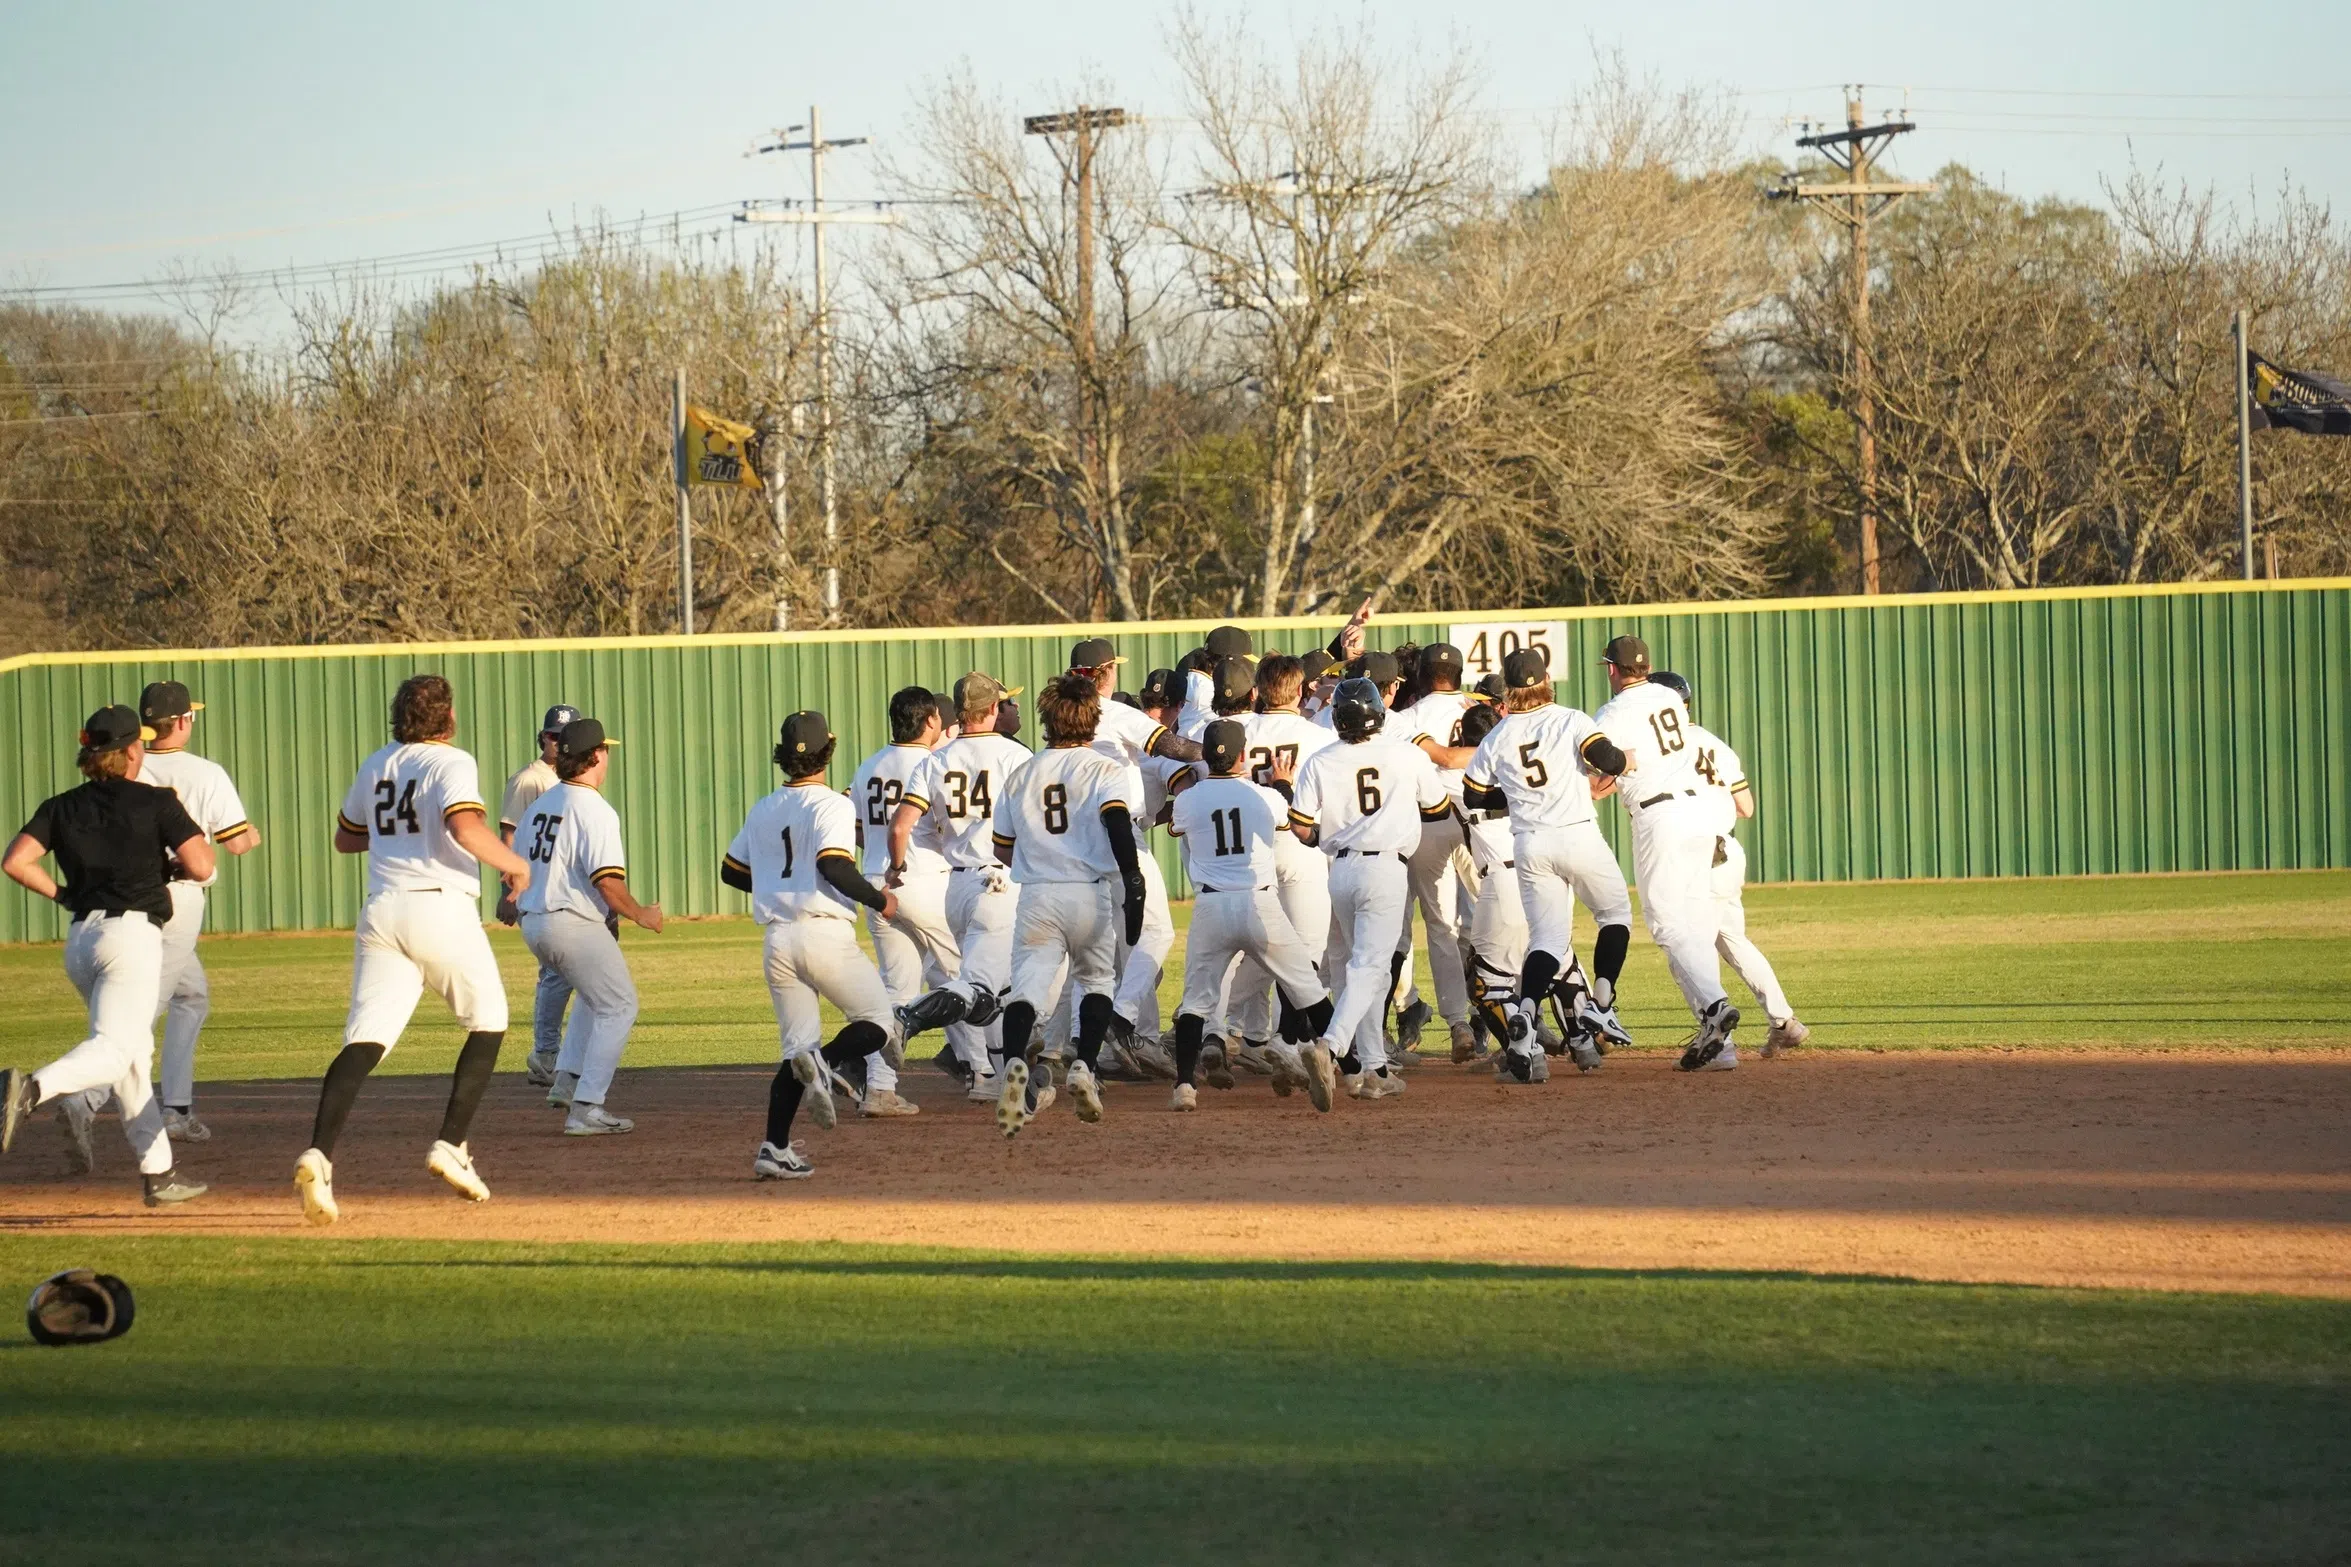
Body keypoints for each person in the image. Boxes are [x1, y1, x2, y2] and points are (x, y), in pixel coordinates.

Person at [291, 674, 534, 1226]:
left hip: (382, 909)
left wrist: (400, 832)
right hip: (438, 905)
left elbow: (347, 837)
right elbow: (465, 825)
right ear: (447, 718)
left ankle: (319, 1155)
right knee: (489, 1020)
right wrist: (517, 866)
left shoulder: (378, 761)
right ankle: (451, 1144)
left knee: (365, 1041)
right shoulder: (452, 761)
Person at [0, 706, 213, 1208]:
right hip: (130, 938)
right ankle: (27, 1090)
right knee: (117, 1050)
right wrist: (169, 863)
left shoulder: (62, 805)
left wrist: (63, 895)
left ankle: (158, 1173)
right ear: (132, 751)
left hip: (81, 939)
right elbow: (202, 865)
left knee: (133, 1056)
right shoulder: (156, 801)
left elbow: (16, 861)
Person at [62, 679, 260, 1155]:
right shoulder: (205, 772)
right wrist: (252, 833)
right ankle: (84, 1097)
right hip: (178, 898)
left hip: (126, 893)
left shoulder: (128, 765)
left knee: (191, 995)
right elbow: (235, 842)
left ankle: (178, 1109)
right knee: (140, 1007)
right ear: (183, 721)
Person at [721, 712, 902, 1181]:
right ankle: (827, 1065)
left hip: (778, 939)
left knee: (795, 1050)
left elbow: (732, 871)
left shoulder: (764, 807)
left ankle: (774, 1147)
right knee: (880, 1024)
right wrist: (881, 899)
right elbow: (834, 867)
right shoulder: (833, 805)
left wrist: (779, 886)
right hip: (823, 933)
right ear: (829, 749)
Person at [1461, 647, 1636, 1084]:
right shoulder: (1571, 719)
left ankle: (1525, 1015)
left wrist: (1518, 797)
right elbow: (1610, 761)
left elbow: (1474, 796)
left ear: (1509, 687)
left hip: (1530, 842)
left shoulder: (1497, 736)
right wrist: (1627, 761)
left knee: (1547, 940)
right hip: (1577, 832)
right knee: (1614, 915)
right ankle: (1601, 1006)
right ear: (1545, 680)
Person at [988, 673, 1147, 1138]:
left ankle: (1015, 1063)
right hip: (1089, 890)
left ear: (1046, 720)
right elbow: (1117, 823)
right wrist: (1132, 877)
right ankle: (1085, 1067)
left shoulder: (1022, 773)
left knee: (1027, 992)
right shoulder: (1104, 770)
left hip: (1038, 894)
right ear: (1092, 720)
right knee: (1096, 980)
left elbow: (1002, 849)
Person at [1286, 677, 1449, 1109]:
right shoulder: (1407, 753)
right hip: (1385, 869)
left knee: (1352, 970)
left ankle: (1374, 1070)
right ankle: (1333, 1048)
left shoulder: (1320, 760)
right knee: (1370, 966)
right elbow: (1437, 809)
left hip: (1339, 869)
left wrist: (1337, 830)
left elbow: (1301, 827)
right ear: (1378, 711)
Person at [1165, 720, 1332, 1111]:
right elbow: (1281, 815)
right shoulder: (1264, 795)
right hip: (1260, 904)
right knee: (1306, 985)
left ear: (1205, 757)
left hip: (1211, 906)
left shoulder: (1190, 798)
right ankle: (1357, 1068)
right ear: (1243, 755)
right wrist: (1284, 783)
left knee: (1196, 1001)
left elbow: (1178, 825)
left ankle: (1185, 1087)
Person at [1592, 635, 1741, 1070]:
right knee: (1692, 932)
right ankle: (1721, 1047)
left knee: (1665, 925)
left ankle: (1714, 1005)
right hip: (1699, 815)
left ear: (1612, 670)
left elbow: (1607, 772)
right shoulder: (1667, 698)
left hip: (1659, 816)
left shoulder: (1612, 713)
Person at [515, 717, 663, 1135]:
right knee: (620, 1006)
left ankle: (566, 1080)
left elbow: (517, 868)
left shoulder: (541, 805)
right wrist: (640, 914)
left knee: (594, 996)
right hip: (570, 923)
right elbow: (608, 881)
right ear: (596, 755)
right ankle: (587, 1108)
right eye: (606, 749)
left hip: (536, 922)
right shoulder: (594, 808)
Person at [887, 673, 1032, 1101]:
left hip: (957, 885)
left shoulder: (933, 760)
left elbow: (904, 826)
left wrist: (897, 868)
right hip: (1001, 882)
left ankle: (1004, 1084)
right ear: (992, 710)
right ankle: (906, 1016)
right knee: (982, 986)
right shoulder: (1016, 756)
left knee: (1000, 991)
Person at [1651, 671, 1810, 1057]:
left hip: (1698, 860)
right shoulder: (1713, 743)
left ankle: (1718, 1045)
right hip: (1728, 854)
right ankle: (1784, 1022)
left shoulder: (1662, 750)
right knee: (1732, 941)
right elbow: (1747, 807)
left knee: (1686, 955)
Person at [847, 686, 969, 1118]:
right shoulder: (932, 762)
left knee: (897, 990)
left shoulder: (868, 765)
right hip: (920, 879)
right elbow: (938, 827)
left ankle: (879, 1087)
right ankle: (988, 1074)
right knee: (970, 977)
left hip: (875, 882)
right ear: (931, 720)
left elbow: (857, 829)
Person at [1225, 653, 1337, 1078]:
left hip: (1248, 850)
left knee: (1248, 946)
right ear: (1301, 690)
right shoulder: (1317, 736)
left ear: (1256, 691)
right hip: (1298, 846)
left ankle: (1216, 1025)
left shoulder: (1237, 731)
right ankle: (1286, 1040)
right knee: (1306, 952)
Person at [1389, 642, 1481, 1061]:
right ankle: (1518, 1016)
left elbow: (1437, 757)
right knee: (1497, 920)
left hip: (1432, 824)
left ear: (1420, 677)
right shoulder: (1485, 708)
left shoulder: (1406, 717)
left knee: (1440, 927)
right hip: (1483, 821)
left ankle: (1459, 1023)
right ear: (1460, 674)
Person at [499, 704, 581, 1087]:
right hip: (536, 890)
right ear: (543, 737)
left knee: (560, 971)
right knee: (559, 971)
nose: (558, 742)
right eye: (553, 735)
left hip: (565, 889)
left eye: (566, 736)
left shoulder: (571, 777)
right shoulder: (530, 779)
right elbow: (509, 836)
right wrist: (508, 889)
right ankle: (546, 1053)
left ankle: (551, 1052)